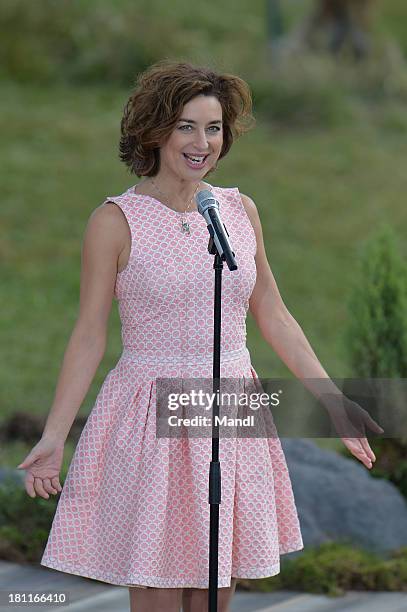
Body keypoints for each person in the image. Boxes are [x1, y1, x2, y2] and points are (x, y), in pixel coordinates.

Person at [16, 60, 378, 612]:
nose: (202, 142)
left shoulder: (236, 210)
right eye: (186, 126)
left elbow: (274, 313)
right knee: (160, 592)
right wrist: (54, 436)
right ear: (155, 130)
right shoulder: (115, 221)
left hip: (230, 410)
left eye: (213, 128)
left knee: (213, 592)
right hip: (150, 417)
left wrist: (334, 400)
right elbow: (89, 335)